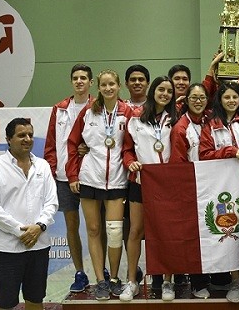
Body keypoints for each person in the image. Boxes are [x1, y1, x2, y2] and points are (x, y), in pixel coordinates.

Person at [66, 69, 132, 300]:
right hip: (90, 179)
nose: (108, 88)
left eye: (112, 84)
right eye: (104, 85)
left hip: (116, 179)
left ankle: (114, 278)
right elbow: (73, 143)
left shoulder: (127, 113)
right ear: (99, 88)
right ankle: (100, 281)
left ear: (118, 86)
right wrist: (73, 175)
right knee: (93, 230)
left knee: (114, 232)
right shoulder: (88, 112)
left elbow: (131, 147)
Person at [0, 118, 58, 310]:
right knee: (5, 303)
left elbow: (51, 202)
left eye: (30, 135)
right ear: (8, 139)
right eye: (21, 135)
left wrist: (39, 227)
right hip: (5, 249)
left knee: (35, 299)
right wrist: (21, 231)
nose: (27, 139)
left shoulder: (43, 166)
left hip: (38, 247)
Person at [199, 80, 239, 303]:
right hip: (224, 190)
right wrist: (229, 151)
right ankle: (235, 280)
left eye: (235, 97)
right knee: (231, 232)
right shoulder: (211, 125)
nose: (232, 100)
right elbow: (204, 154)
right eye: (227, 97)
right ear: (220, 100)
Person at [120, 76, 178, 302]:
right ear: (153, 91)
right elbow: (127, 150)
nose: (165, 94)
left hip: (167, 185)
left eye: (169, 91)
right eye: (161, 90)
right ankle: (132, 281)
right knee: (135, 231)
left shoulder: (175, 119)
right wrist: (130, 163)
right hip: (140, 182)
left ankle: (167, 282)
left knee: (166, 233)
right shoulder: (136, 119)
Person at [44, 64, 96, 293]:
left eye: (84, 77)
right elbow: (51, 144)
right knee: (71, 225)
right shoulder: (60, 109)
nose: (79, 81)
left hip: (92, 177)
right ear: (71, 81)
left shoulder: (98, 107)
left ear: (91, 82)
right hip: (65, 178)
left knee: (98, 227)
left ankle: (102, 270)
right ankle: (80, 272)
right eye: (75, 78)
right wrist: (54, 171)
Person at [169, 83, 212, 298]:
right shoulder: (180, 127)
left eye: (202, 97)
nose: (198, 101)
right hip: (192, 188)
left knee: (216, 231)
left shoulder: (212, 120)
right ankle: (198, 281)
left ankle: (220, 277)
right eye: (193, 97)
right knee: (196, 236)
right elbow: (177, 163)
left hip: (214, 184)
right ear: (186, 101)